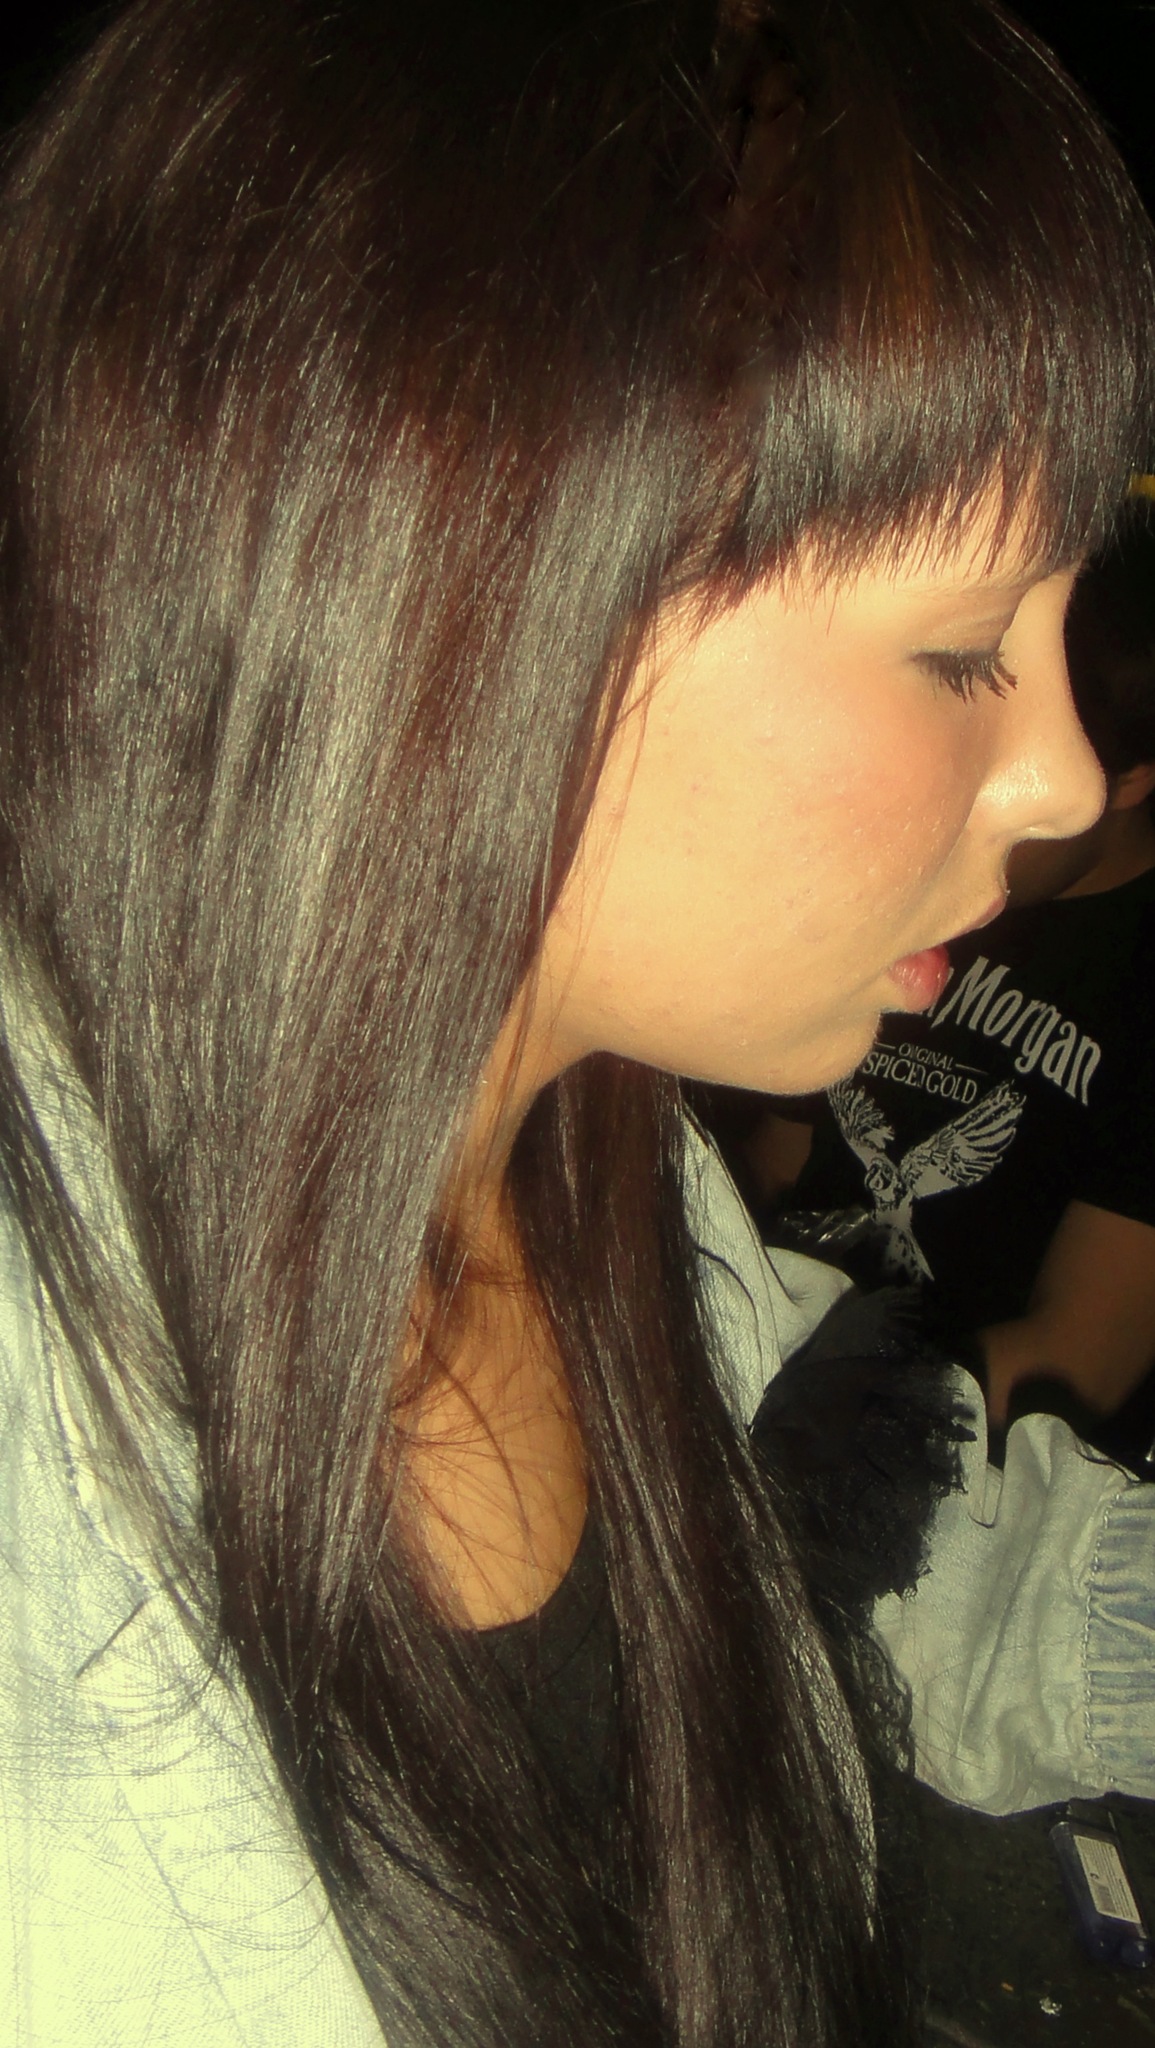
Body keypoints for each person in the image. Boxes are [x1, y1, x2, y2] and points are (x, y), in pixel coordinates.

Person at [0, 2, 1153, 2044]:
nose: (1064, 772)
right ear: (471, 589)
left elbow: (875, 1536)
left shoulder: (613, 1181)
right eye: (966, 646)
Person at [756, 504, 1155, 1468]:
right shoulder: (910, 871)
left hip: (920, 1471)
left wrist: (789, 1415)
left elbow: (1076, 1365)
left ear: (1128, 782)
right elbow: (774, 1155)